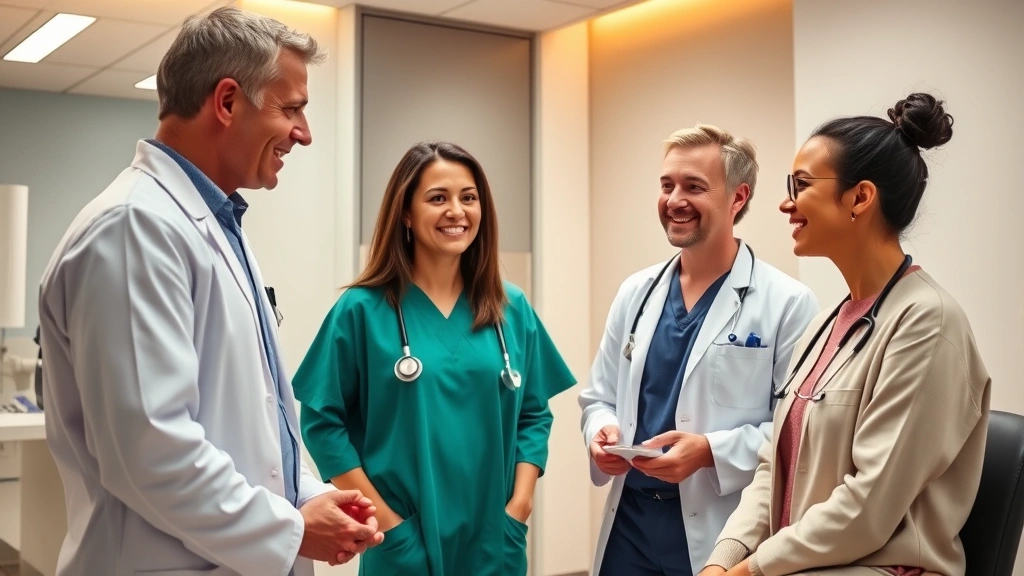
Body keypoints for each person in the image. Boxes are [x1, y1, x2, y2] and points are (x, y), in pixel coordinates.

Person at [37, 8, 382, 576]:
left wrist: (305, 496)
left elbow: (260, 416)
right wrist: (292, 529)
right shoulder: (133, 229)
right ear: (226, 102)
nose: (304, 132)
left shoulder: (213, 223)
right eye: (291, 108)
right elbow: (152, 452)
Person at [700, 93, 990, 576]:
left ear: (860, 197)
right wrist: (724, 559)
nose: (785, 202)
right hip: (802, 566)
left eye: (802, 184)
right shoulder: (823, 326)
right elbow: (772, 471)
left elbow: (868, 506)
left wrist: (751, 570)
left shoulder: (927, 322)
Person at [292, 141, 576, 576]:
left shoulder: (510, 308)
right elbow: (320, 421)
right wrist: (384, 520)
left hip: (494, 542)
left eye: (468, 197)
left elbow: (534, 414)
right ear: (406, 212)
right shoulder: (363, 310)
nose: (456, 211)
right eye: (437, 198)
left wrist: (520, 505)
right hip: (404, 542)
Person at [580, 124, 819, 576]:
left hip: (719, 522)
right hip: (630, 521)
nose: (674, 200)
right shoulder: (637, 291)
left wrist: (710, 450)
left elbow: (797, 433)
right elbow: (598, 398)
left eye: (693, 187)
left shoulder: (787, 302)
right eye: (667, 185)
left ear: (738, 198)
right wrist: (602, 433)